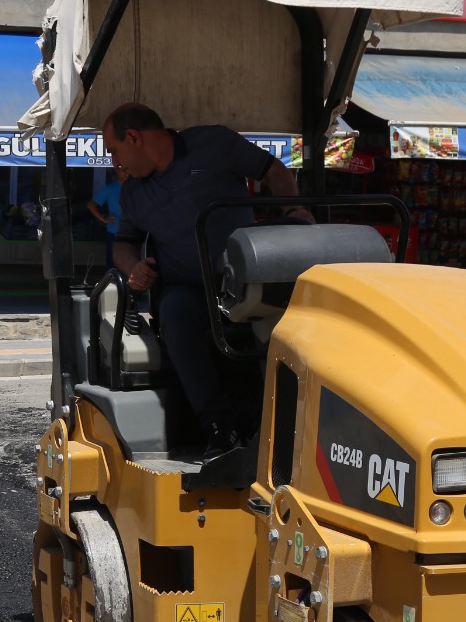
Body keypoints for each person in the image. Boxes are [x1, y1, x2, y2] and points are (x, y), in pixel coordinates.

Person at [103, 102, 312, 461]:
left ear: (134, 137)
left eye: (114, 150)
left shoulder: (214, 143)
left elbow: (273, 171)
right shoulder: (132, 194)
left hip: (250, 279)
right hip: (189, 291)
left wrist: (291, 210)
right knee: (174, 313)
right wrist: (133, 267)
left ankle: (300, 422)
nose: (114, 162)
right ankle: (218, 428)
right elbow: (123, 244)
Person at [86, 170, 127, 271]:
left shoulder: (137, 187)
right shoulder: (110, 189)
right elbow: (91, 205)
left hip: (133, 232)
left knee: (131, 262)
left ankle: (129, 285)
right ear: (118, 172)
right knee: (112, 263)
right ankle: (112, 283)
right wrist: (103, 219)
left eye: (128, 170)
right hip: (114, 232)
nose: (126, 173)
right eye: (124, 171)